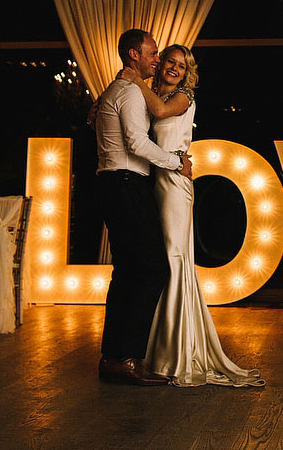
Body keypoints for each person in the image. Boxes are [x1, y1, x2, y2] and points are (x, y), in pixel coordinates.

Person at [120, 44, 264, 388]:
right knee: (160, 257)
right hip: (158, 177)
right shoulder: (153, 93)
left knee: (173, 257)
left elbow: (162, 112)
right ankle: (157, 345)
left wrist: (136, 81)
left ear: (188, 74)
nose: (174, 69)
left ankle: (175, 350)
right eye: (169, 62)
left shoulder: (182, 97)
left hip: (174, 182)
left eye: (181, 67)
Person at [94, 29, 192, 386]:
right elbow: (136, 143)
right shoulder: (132, 93)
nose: (157, 59)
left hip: (113, 183)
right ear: (134, 55)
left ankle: (113, 357)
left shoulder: (117, 90)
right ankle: (127, 358)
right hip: (125, 183)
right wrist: (175, 161)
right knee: (152, 269)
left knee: (126, 271)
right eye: (152, 53)